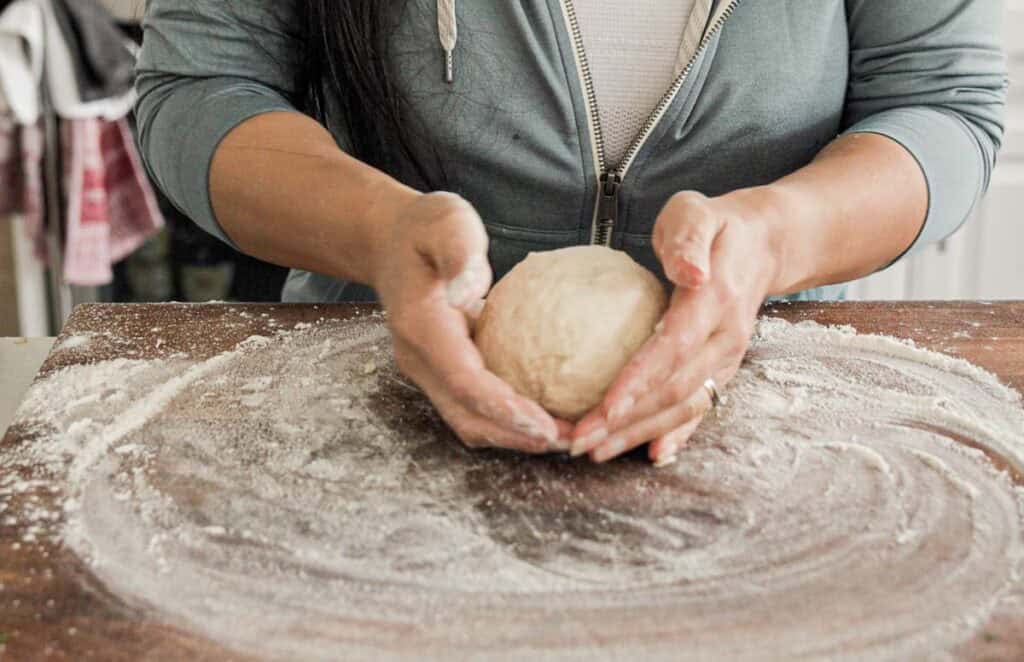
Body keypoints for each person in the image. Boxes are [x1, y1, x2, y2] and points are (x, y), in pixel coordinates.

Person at [135, 1, 1007, 466]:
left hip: (773, 412)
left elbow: (940, 104)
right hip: (381, 402)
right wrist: (380, 231)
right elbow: (202, 86)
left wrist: (777, 237)